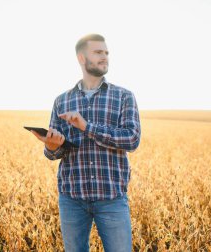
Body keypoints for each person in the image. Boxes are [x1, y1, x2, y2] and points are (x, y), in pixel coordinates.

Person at [31, 34, 141, 252]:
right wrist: (51, 146)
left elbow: (132, 139)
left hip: (111, 198)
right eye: (98, 52)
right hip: (72, 199)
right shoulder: (62, 100)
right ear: (82, 58)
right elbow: (54, 153)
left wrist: (87, 127)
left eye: (106, 53)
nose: (105, 57)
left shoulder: (124, 96)